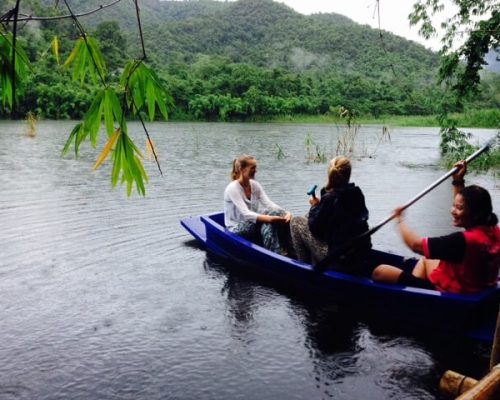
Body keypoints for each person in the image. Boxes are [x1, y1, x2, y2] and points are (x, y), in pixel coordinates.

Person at [372, 161, 500, 294]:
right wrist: (458, 181)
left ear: (476, 214)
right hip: (476, 285)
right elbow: (467, 205)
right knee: (425, 261)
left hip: (454, 294)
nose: (452, 211)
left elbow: (415, 245)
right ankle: (415, 298)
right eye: (454, 206)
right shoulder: (493, 230)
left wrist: (399, 219)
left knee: (380, 271)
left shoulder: (463, 241)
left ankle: (421, 302)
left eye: (459, 208)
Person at [290, 156, 371, 273]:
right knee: (307, 217)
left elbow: (315, 229)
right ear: (349, 174)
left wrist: (314, 207)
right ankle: (313, 261)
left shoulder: (330, 198)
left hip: (337, 259)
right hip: (360, 255)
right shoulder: (357, 193)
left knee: (296, 222)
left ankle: (304, 268)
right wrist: (319, 205)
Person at [224, 155, 293, 255]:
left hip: (251, 223)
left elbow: (269, 204)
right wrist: (269, 219)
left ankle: (288, 248)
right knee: (268, 222)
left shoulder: (255, 185)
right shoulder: (233, 188)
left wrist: (286, 213)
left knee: (277, 214)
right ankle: (274, 253)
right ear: (242, 169)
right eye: (253, 168)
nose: (256, 170)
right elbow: (246, 214)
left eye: (256, 167)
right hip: (235, 228)